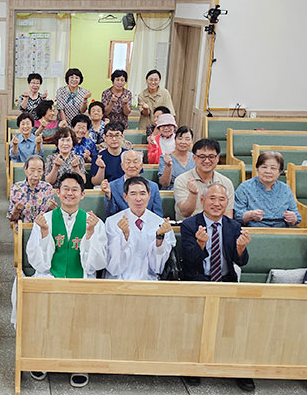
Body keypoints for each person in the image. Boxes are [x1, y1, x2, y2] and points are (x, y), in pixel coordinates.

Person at [25, 172, 107, 388]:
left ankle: (79, 364)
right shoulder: (45, 220)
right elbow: (37, 261)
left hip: (82, 279)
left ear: (82, 194)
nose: (70, 193)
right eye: (66, 189)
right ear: (58, 192)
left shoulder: (94, 222)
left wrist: (89, 234)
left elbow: (98, 262)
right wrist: (45, 233)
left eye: (74, 190)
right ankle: (43, 358)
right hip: (51, 276)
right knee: (45, 316)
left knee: (83, 321)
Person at [180, 182, 253, 392]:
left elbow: (241, 261)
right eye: (212, 198)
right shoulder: (190, 225)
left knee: (234, 326)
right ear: (202, 200)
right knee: (196, 324)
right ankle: (193, 367)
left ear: (227, 203)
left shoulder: (233, 226)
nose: (217, 203)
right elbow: (189, 261)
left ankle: (236, 368)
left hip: (225, 281)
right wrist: (200, 245)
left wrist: (241, 248)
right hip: (197, 281)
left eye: (222, 199)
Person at [104, 176, 175, 280]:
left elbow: (157, 268)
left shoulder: (160, 223)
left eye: (142, 193)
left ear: (149, 196)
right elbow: (113, 267)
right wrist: (124, 237)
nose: (138, 199)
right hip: (119, 280)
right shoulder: (112, 222)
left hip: (149, 280)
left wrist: (159, 239)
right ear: (125, 197)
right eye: (133, 194)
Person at [174, 139, 235, 221]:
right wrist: (193, 194)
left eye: (211, 157)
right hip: (190, 226)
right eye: (202, 157)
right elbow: (185, 212)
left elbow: (228, 215)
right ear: (194, 158)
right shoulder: (182, 180)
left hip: (216, 226)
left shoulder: (226, 182)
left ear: (217, 158)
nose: (207, 161)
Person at [234, 151, 300, 227]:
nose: (268, 171)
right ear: (257, 169)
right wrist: (250, 215)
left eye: (273, 168)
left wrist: (293, 218)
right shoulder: (245, 187)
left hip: (281, 230)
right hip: (254, 229)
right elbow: (237, 215)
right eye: (264, 167)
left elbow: (296, 217)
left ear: (279, 172)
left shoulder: (285, 189)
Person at [100, 150, 163, 218]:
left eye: (135, 162)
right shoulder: (112, 186)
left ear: (141, 166)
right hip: (121, 223)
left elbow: (158, 215)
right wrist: (108, 196)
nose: (132, 165)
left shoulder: (153, 187)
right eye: (128, 162)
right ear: (122, 166)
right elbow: (110, 215)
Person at [7, 155, 56, 225]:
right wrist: (16, 210)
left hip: (43, 228)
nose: (36, 174)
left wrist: (53, 209)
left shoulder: (47, 188)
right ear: (25, 170)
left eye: (39, 171)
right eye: (32, 170)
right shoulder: (16, 188)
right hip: (23, 228)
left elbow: (51, 217)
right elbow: (12, 219)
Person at [90, 121, 128, 186]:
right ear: (104, 137)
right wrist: (101, 168)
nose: (114, 139)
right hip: (105, 188)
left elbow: (135, 178)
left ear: (122, 137)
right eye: (110, 136)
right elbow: (95, 183)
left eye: (117, 135)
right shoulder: (98, 157)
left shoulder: (129, 155)